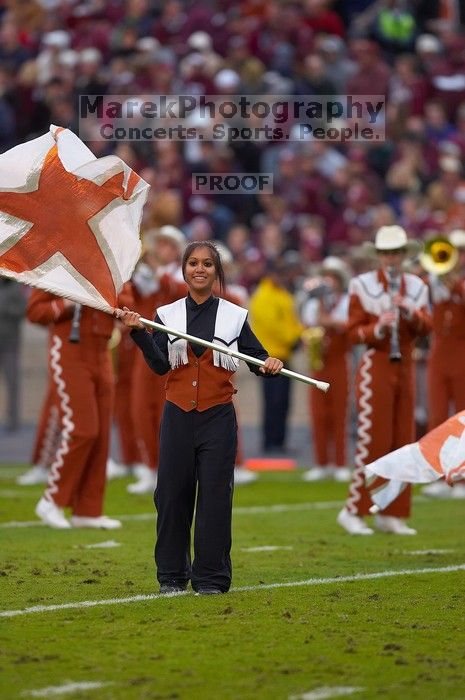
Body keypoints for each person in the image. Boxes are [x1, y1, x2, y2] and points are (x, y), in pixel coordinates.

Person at [117, 241, 283, 595]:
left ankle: (211, 578)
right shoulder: (166, 314)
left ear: (216, 271)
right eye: (193, 263)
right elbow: (161, 364)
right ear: (184, 269)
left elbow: (257, 360)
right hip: (177, 415)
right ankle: (172, 576)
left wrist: (271, 365)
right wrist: (138, 333)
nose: (200, 269)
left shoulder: (235, 315)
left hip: (217, 418)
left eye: (207, 264)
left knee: (215, 497)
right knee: (172, 496)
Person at [337, 225, 432, 535]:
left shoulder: (417, 286)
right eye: (386, 253)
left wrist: (411, 314)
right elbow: (352, 333)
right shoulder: (361, 285)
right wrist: (379, 326)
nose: (391, 259)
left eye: (396, 253)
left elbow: (426, 327)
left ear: (404, 255)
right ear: (378, 256)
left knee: (403, 441)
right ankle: (354, 510)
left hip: (405, 362)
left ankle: (392, 512)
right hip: (375, 364)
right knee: (372, 439)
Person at [28, 286, 132, 529]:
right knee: (82, 430)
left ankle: (88, 510)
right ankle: (51, 500)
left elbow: (128, 302)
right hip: (69, 350)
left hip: (102, 351)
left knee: (102, 435)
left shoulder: (112, 265)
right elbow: (34, 311)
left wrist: (107, 297)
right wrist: (65, 303)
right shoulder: (60, 263)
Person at [422, 229, 465, 499]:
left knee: (461, 417)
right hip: (439, 353)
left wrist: (458, 288)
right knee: (437, 416)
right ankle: (438, 475)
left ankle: (461, 479)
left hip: (462, 352)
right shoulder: (436, 281)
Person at [300, 256, 352, 482]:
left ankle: (340, 463)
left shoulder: (347, 301)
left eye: (333, 277)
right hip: (319, 361)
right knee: (318, 414)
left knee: (339, 414)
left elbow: (348, 326)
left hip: (339, 362)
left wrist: (328, 321)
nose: (328, 282)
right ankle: (320, 463)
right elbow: (307, 328)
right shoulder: (312, 303)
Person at [249, 258, 304, 454]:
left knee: (283, 402)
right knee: (273, 401)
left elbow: (293, 320)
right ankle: (270, 442)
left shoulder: (282, 295)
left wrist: (298, 334)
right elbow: (274, 327)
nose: (283, 277)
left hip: (284, 355)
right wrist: (295, 337)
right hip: (270, 357)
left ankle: (279, 441)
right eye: (280, 273)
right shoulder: (263, 296)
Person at [0, 278, 26, 432]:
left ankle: (13, 420)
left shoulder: (16, 287)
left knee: (12, 383)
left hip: (10, 344)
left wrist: (4, 307)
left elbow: (23, 310)